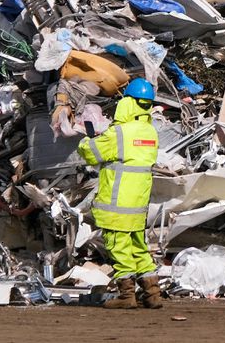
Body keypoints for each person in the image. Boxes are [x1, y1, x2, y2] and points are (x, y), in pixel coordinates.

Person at [77, 77, 163, 309]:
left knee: (119, 246)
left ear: (128, 102)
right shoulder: (150, 132)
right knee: (138, 247)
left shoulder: (120, 133)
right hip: (138, 204)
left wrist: (87, 139)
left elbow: (91, 153)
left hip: (117, 204)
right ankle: (152, 294)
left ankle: (127, 296)